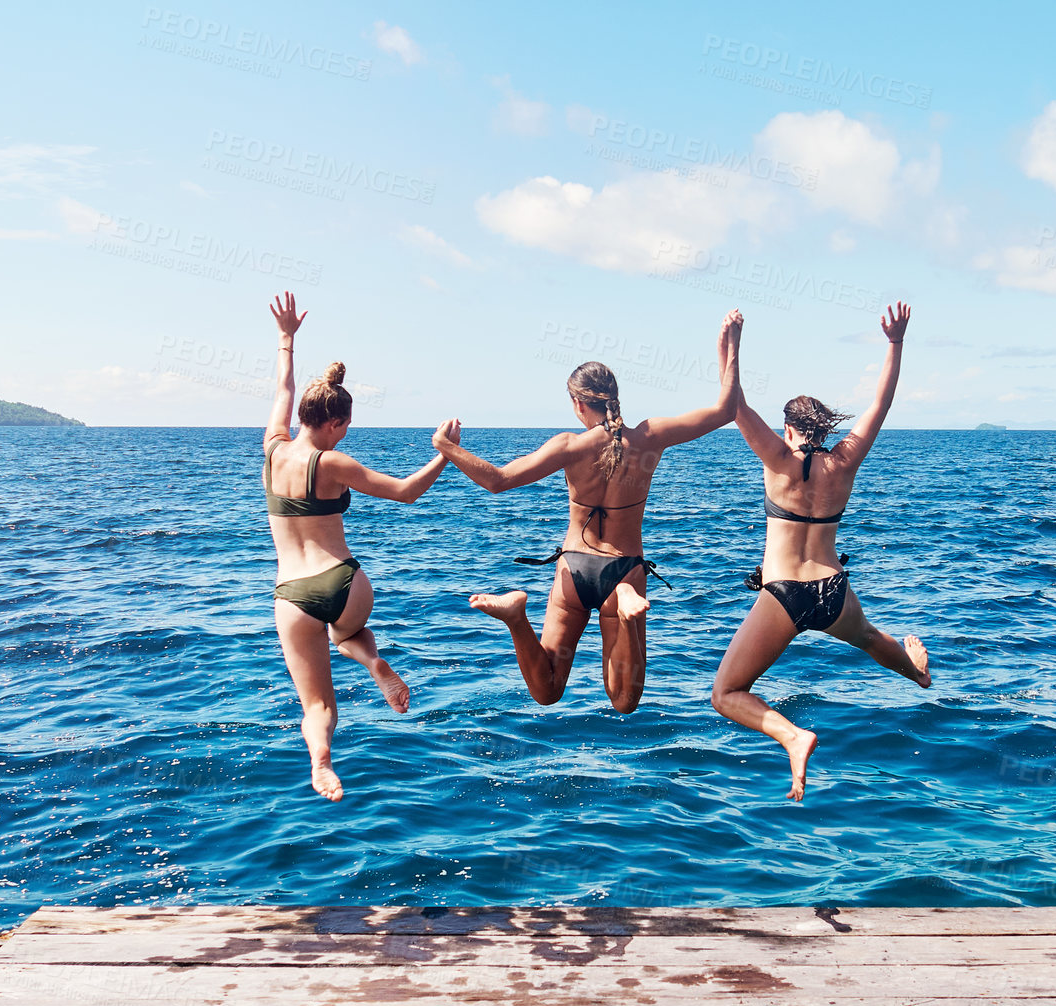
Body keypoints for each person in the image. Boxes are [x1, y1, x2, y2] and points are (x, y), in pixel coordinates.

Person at [432, 311, 746, 714]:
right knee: (624, 701)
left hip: (573, 572)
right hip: (624, 573)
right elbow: (726, 409)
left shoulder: (569, 446)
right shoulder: (651, 435)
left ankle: (514, 617)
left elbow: (497, 480)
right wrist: (730, 345)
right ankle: (629, 615)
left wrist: (447, 447)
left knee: (546, 691)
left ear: (579, 403)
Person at [710, 303, 932, 803]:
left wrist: (729, 347)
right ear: (824, 430)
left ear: (788, 429)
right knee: (873, 639)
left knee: (726, 693)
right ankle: (918, 674)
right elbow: (881, 404)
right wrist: (894, 343)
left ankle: (792, 735)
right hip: (834, 591)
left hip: (784, 596)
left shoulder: (776, 458)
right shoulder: (844, 462)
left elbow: (731, 404)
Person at [262, 291, 455, 802]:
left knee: (318, 707)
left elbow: (283, 387)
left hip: (292, 596)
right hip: (344, 583)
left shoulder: (273, 448)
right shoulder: (334, 462)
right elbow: (408, 492)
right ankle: (374, 665)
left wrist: (286, 339)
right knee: (348, 634)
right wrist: (445, 454)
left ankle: (321, 763)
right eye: (346, 425)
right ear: (334, 424)